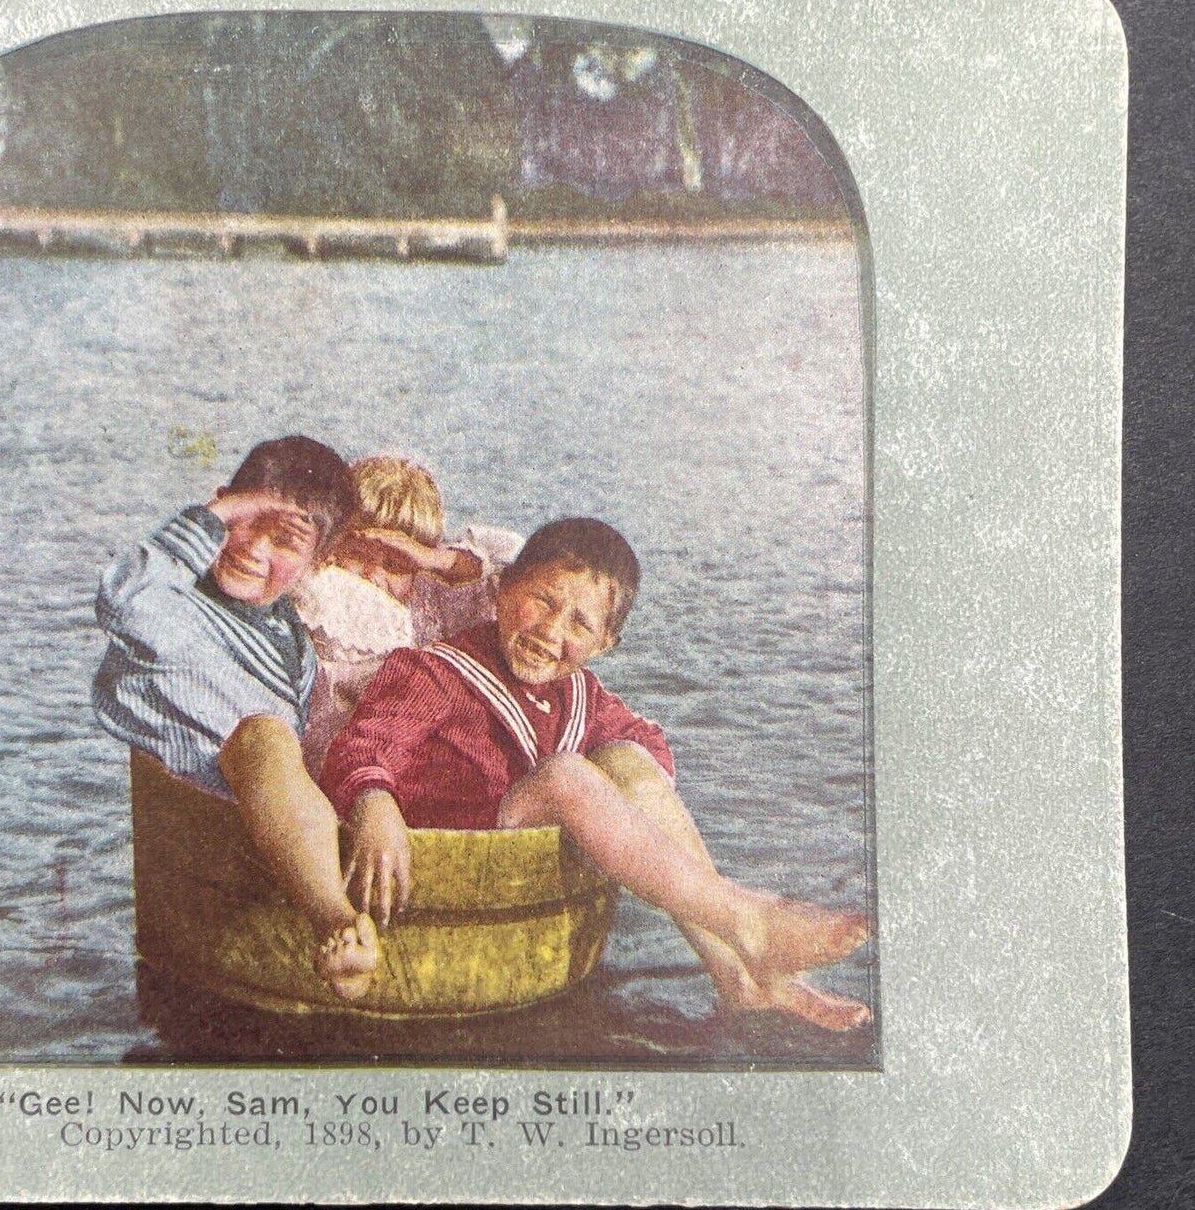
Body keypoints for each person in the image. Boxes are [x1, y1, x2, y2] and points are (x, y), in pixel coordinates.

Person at [321, 518, 871, 1031]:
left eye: (580, 623)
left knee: (628, 755)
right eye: (542, 600)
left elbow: (646, 750)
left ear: (606, 643)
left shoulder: (582, 695)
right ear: (504, 588)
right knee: (566, 775)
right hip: (442, 843)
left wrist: (622, 785)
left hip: (522, 852)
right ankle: (749, 923)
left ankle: (735, 972)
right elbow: (364, 744)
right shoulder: (433, 671)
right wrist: (373, 801)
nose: (550, 631)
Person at [91, 435, 383, 999]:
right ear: (217, 504)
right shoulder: (171, 600)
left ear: (317, 562)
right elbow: (121, 596)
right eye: (243, 521)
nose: (251, 547)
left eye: (285, 542)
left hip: (270, 798)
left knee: (296, 744)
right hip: (204, 774)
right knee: (265, 737)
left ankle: (332, 896)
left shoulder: (287, 634)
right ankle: (331, 917)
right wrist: (216, 516)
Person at [291, 455, 522, 775]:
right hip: (329, 758)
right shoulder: (317, 593)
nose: (372, 576)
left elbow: (519, 564)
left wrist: (437, 561)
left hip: (406, 759)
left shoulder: (429, 600)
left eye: (396, 565)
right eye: (358, 554)